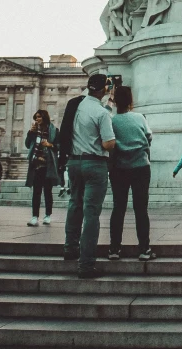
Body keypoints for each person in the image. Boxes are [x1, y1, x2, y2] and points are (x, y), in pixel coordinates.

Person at [63, 74, 115, 278]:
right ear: (103, 90)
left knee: (74, 204)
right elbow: (108, 143)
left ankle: (70, 248)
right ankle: (86, 265)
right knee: (91, 213)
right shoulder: (101, 112)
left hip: (74, 162)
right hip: (94, 163)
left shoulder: (76, 105)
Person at [108, 85, 155, 262]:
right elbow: (149, 137)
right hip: (140, 167)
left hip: (119, 168)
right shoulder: (140, 118)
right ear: (130, 101)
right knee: (141, 209)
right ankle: (144, 249)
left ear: (115, 101)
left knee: (118, 208)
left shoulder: (111, 120)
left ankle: (114, 248)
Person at [25, 109, 60, 227]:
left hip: (48, 164)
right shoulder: (34, 131)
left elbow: (59, 146)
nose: (37, 119)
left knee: (47, 192)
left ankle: (47, 215)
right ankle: (34, 217)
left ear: (44, 117)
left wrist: (50, 145)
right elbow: (27, 144)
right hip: (36, 164)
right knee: (36, 192)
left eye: (39, 117)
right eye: (36, 117)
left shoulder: (54, 131)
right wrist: (30, 132)